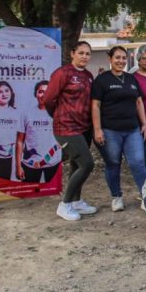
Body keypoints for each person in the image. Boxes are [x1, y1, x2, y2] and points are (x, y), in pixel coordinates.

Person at [91, 46, 146, 212]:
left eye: (124, 58)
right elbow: (95, 105)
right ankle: (116, 197)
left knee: (138, 162)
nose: (121, 61)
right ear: (110, 59)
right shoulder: (102, 80)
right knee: (113, 163)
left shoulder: (131, 79)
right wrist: (97, 129)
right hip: (110, 130)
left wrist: (144, 123)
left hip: (132, 130)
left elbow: (139, 102)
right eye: (117, 57)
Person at [44, 41, 97, 221]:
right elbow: (48, 99)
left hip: (84, 127)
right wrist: (59, 115)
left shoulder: (89, 75)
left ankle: (76, 201)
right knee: (87, 164)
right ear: (72, 53)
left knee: (76, 164)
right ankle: (64, 204)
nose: (84, 56)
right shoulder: (63, 73)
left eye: (88, 54)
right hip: (66, 127)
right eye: (81, 53)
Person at [16, 80, 62, 183]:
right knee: (29, 195)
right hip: (30, 164)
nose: (43, 95)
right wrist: (18, 166)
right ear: (36, 94)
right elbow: (19, 141)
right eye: (41, 91)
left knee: (52, 196)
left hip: (54, 163)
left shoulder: (59, 113)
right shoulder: (26, 113)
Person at [0, 80, 24, 181]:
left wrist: (18, 166)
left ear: (11, 93)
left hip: (7, 158)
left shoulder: (17, 113)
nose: (4, 94)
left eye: (7, 91)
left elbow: (19, 141)